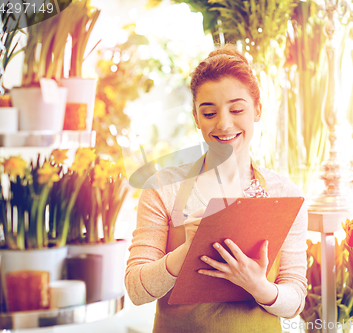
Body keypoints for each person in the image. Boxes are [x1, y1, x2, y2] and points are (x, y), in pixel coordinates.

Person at [125, 45, 308, 333]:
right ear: (196, 118)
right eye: (209, 113)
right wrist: (185, 253)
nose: (224, 124)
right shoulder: (163, 188)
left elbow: (295, 297)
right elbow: (136, 290)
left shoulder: (284, 193)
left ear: (257, 109)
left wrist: (260, 287)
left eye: (237, 109)